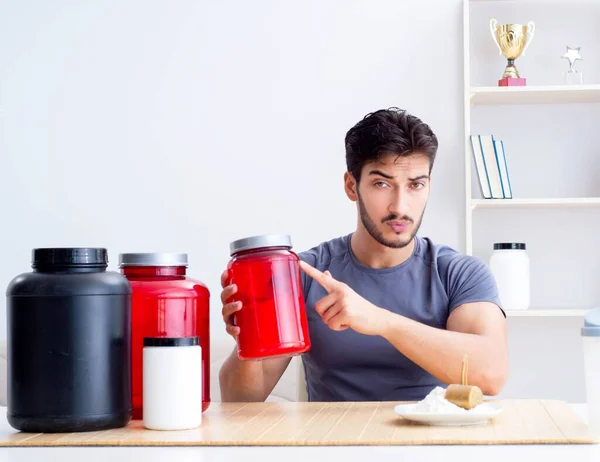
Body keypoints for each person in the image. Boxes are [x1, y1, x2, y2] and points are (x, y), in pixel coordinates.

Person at [218, 107, 508, 403]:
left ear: (428, 185)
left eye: (415, 185)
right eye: (381, 184)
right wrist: (248, 342)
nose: (400, 206)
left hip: (431, 444)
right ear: (351, 186)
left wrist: (380, 321)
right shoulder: (305, 273)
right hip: (331, 445)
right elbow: (240, 401)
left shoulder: (460, 273)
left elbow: (491, 374)